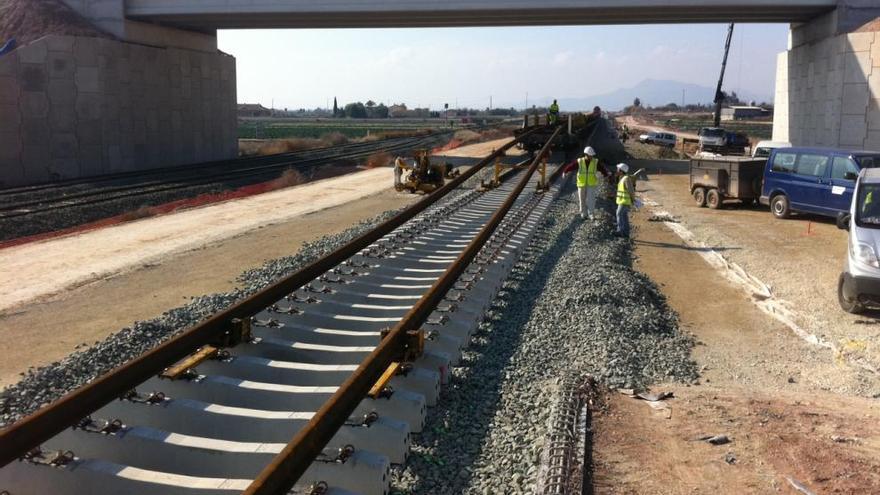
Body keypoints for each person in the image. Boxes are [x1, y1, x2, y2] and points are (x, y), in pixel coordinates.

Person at [562, 146, 605, 220]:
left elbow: (602, 168)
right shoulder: (580, 161)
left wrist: (606, 174)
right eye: (590, 155)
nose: (591, 157)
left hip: (591, 183)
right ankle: (583, 213)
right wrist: (565, 171)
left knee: (591, 199)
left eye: (592, 155)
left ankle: (591, 213)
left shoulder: (595, 162)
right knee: (582, 199)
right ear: (586, 155)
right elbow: (571, 166)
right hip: (581, 184)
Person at [615, 163, 637, 238]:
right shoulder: (622, 178)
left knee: (619, 214)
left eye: (618, 169)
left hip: (624, 202)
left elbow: (631, 190)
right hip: (623, 201)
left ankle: (620, 231)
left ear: (621, 171)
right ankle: (626, 233)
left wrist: (633, 200)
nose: (616, 170)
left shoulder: (626, 179)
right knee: (624, 216)